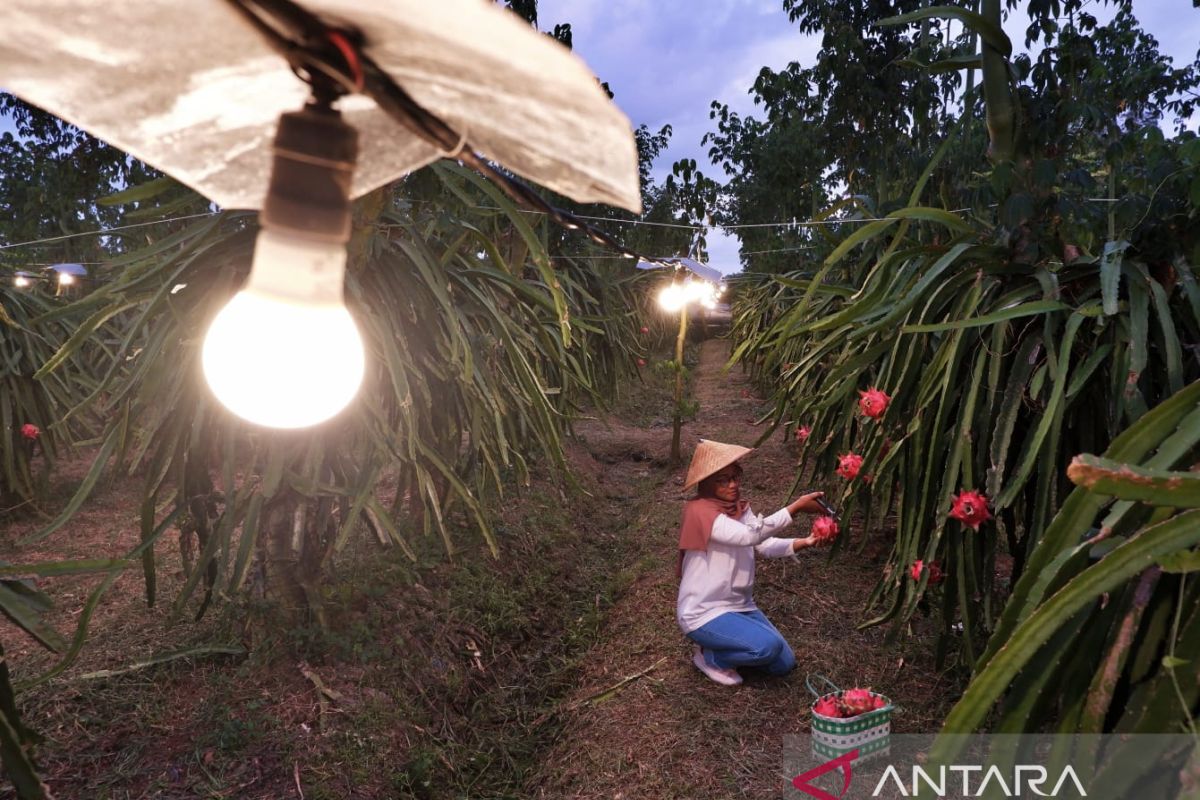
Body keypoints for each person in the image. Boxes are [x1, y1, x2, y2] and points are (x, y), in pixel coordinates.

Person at [676, 439, 828, 686]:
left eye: (735, 476)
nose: (733, 485)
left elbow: (763, 545)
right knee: (767, 648)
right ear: (706, 483)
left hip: (740, 605)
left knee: (784, 664)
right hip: (704, 612)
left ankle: (734, 645)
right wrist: (795, 508)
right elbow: (748, 536)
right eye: (723, 480)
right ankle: (711, 657)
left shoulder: (737, 508)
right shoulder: (700, 511)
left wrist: (806, 541)